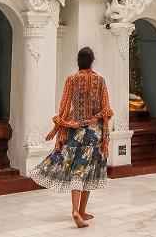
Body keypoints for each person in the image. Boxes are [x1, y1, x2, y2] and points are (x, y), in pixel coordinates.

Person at [31, 47, 113, 228]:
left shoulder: (71, 79)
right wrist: (104, 134)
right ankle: (80, 211)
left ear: (78, 60)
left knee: (77, 169)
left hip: (74, 133)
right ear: (92, 60)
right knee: (89, 171)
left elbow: (64, 108)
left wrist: (55, 129)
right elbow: (106, 109)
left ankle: (77, 211)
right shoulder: (100, 81)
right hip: (94, 133)